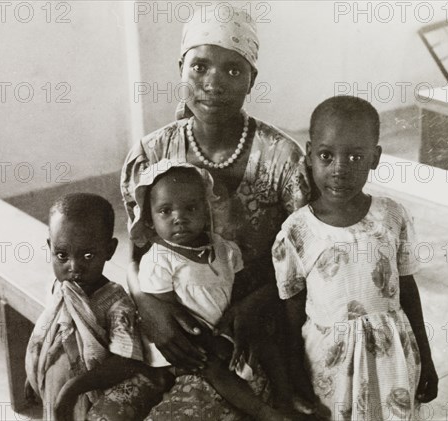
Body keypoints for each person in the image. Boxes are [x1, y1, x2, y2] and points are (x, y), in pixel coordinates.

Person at [119, 4, 311, 420]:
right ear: (181, 68)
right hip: (170, 326)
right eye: (200, 67)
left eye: (232, 70)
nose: (213, 83)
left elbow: (307, 259)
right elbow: (136, 247)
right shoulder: (152, 153)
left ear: (251, 79)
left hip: (251, 331)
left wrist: (255, 305)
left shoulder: (282, 159)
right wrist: (149, 305)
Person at [272, 96, 439, 420]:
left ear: (374, 157)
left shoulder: (392, 216)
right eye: (326, 155)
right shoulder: (295, 232)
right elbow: (291, 316)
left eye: (355, 156)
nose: (339, 169)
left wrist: (426, 357)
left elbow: (408, 290)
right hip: (330, 365)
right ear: (309, 155)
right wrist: (295, 376)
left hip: (394, 363)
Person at [131, 160, 307, 420]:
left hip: (223, 328)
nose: (179, 218)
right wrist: (208, 341)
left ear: (206, 210)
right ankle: (265, 413)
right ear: (150, 219)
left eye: (190, 208)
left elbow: (233, 289)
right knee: (214, 368)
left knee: (266, 342)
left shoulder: (222, 248)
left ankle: (285, 400)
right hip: (191, 345)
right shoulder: (159, 260)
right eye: (165, 211)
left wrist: (238, 328)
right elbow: (166, 314)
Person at [25, 193, 158, 421]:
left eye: (88, 255)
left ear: (109, 250)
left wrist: (73, 388)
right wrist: (34, 371)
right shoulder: (59, 287)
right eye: (62, 255)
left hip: (91, 394)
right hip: (57, 387)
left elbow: (125, 361)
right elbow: (50, 334)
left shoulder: (116, 303)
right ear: (50, 247)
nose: (74, 267)